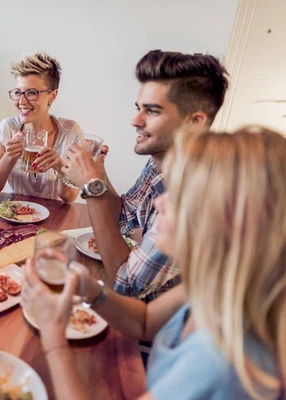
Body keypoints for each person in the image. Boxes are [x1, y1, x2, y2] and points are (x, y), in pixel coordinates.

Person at [24, 126, 285, 400]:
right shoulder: (219, 286)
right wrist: (87, 287)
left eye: (179, 194)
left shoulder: (218, 363)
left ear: (224, 223)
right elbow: (145, 321)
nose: (159, 203)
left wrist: (53, 336)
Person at [62, 50, 229, 301]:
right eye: (138, 108)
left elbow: (126, 286)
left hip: (160, 333)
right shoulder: (160, 162)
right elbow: (125, 215)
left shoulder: (198, 195)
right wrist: (99, 173)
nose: (135, 120)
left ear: (195, 122)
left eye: (152, 111)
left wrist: (92, 186)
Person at [0, 52, 84, 203]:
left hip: (52, 221)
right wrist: (9, 157)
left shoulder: (70, 133)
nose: (21, 101)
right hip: (13, 215)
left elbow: (69, 198)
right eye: (18, 92)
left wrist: (59, 166)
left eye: (31, 93)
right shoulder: (8, 128)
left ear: (52, 95)